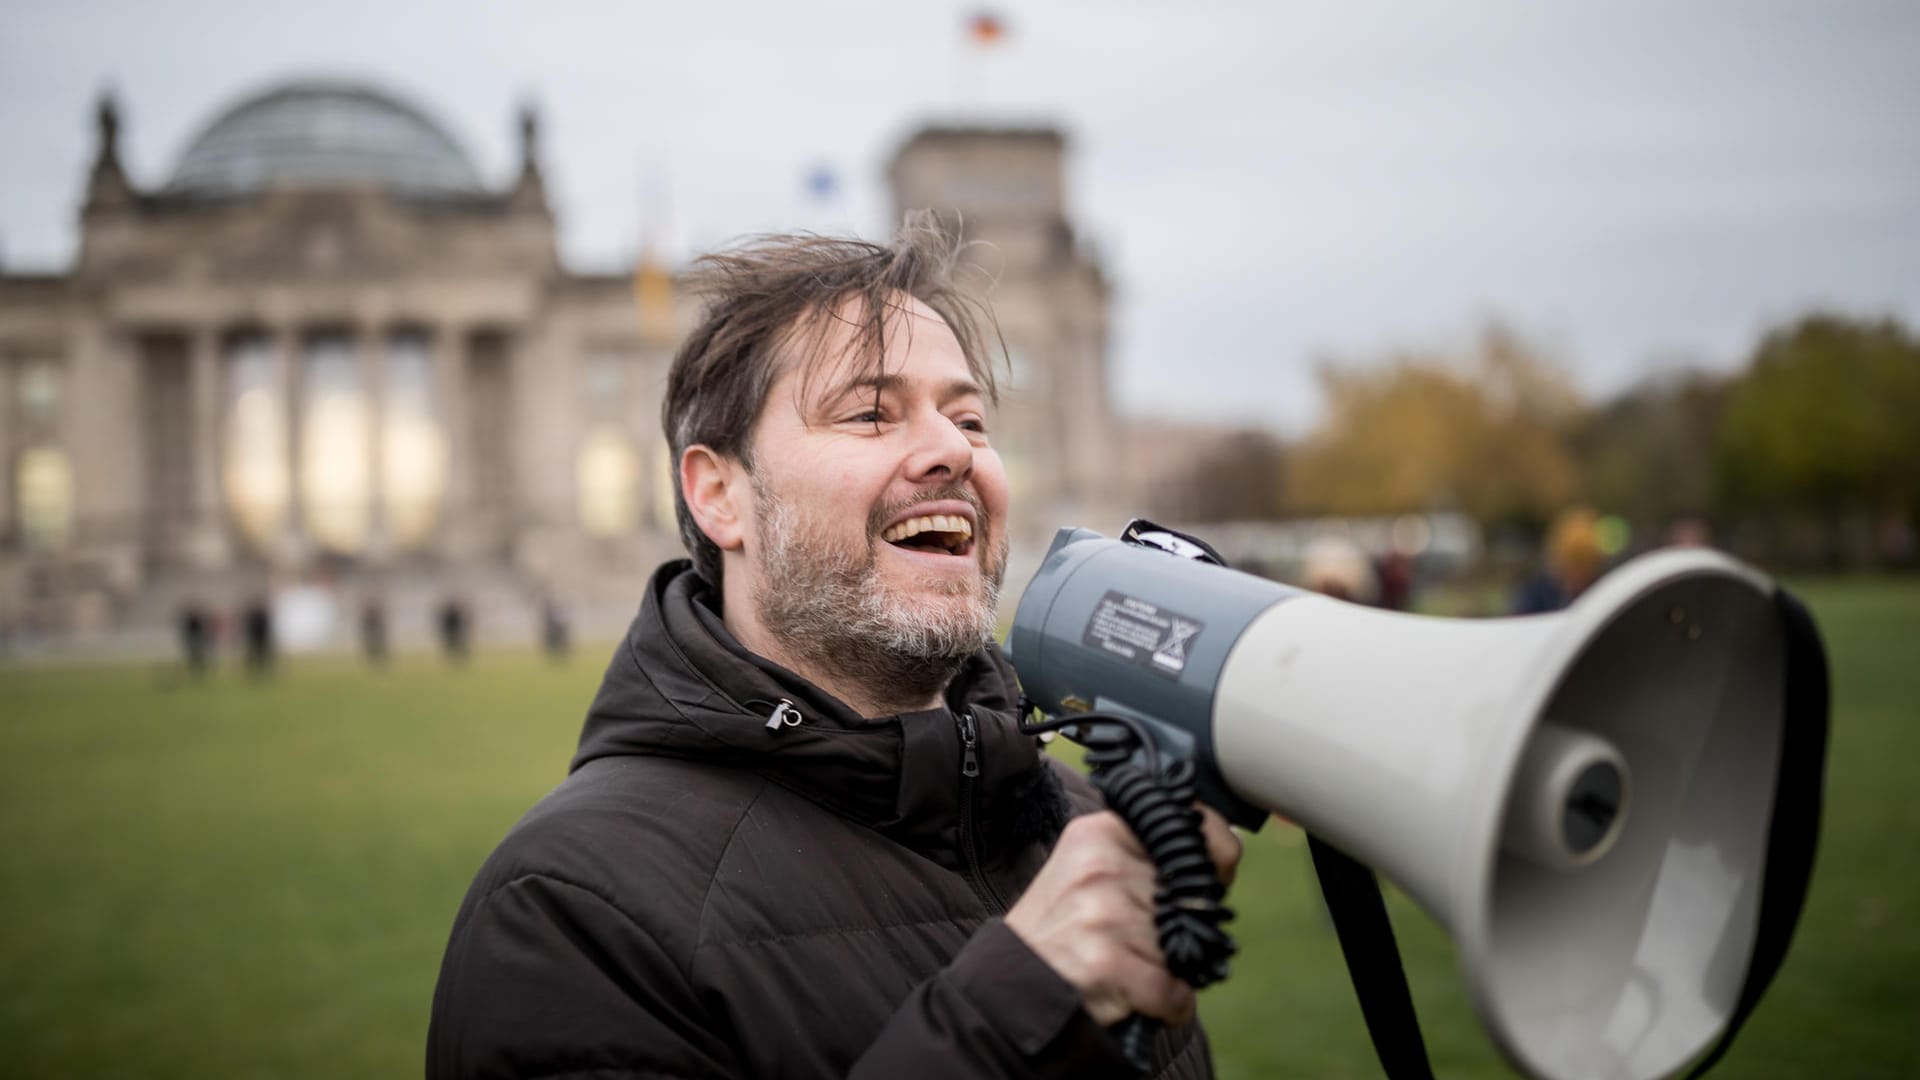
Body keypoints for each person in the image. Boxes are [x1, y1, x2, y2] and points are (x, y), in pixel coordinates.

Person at [427, 221, 1236, 1079]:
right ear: (719, 496)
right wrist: (1012, 1011)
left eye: (970, 418)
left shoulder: (1082, 822)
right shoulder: (570, 912)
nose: (953, 450)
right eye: (869, 413)